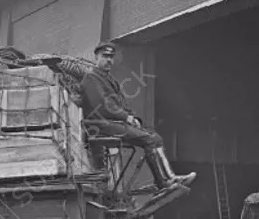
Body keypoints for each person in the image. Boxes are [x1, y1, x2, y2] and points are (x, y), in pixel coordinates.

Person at [46, 42, 195, 190]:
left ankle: (170, 177)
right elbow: (104, 106)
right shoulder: (91, 77)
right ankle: (162, 182)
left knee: (156, 138)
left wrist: (132, 117)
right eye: (105, 56)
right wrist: (126, 117)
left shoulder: (109, 79)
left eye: (111, 57)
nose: (109, 60)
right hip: (98, 124)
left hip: (111, 124)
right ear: (96, 57)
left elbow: (121, 104)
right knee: (148, 139)